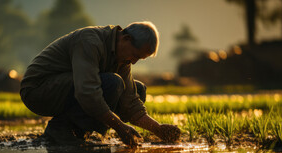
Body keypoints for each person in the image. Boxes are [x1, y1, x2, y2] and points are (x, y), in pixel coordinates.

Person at [20, 21, 180, 146]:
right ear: (126, 38)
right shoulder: (90, 42)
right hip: (38, 91)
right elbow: (87, 92)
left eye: (139, 59)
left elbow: (130, 102)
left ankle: (78, 130)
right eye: (135, 55)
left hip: (68, 87)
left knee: (138, 89)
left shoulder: (122, 57)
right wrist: (119, 127)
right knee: (113, 83)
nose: (134, 62)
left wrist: (158, 129)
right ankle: (61, 128)